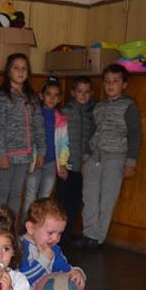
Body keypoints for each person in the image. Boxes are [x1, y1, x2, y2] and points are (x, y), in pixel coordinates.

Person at [20, 198, 146, 290]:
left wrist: (76, 272)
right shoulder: (19, 248)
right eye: (50, 233)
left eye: (60, 234)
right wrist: (43, 260)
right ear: (30, 228)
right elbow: (21, 279)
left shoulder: (54, 249)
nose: (55, 238)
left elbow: (65, 269)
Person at [76, 64, 142, 249]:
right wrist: (86, 158)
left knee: (107, 199)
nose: (110, 85)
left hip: (115, 158)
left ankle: (97, 239)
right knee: (89, 197)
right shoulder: (99, 106)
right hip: (94, 157)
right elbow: (92, 132)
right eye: (107, 81)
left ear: (124, 84)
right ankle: (88, 234)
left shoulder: (129, 106)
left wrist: (130, 162)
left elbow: (135, 134)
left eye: (115, 81)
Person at [0, 53, 45, 218]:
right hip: (7, 155)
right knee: (3, 192)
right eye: (16, 68)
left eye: (24, 68)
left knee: (17, 193)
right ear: (8, 71)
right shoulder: (1, 97)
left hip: (25, 155)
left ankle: (11, 228)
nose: (20, 72)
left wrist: (41, 151)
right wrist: (1, 154)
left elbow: (39, 125)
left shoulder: (32, 98)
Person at [22, 78, 68, 219]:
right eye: (48, 94)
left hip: (51, 163)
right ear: (41, 95)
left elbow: (64, 143)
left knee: (45, 198)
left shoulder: (61, 119)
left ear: (59, 98)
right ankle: (25, 227)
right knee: (30, 196)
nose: (52, 98)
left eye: (56, 95)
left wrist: (62, 163)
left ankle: (39, 227)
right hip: (34, 162)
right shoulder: (34, 114)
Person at [57, 76, 95, 241]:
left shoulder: (92, 113)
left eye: (87, 92)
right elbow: (59, 139)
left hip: (83, 166)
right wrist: (61, 163)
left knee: (75, 202)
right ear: (73, 92)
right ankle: (57, 233)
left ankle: (67, 233)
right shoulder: (65, 112)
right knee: (62, 201)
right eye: (80, 91)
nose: (83, 95)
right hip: (66, 165)